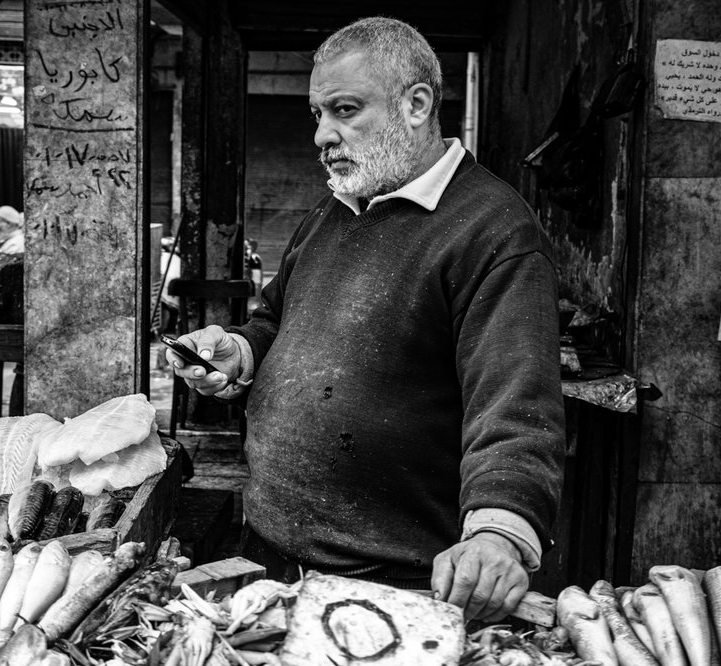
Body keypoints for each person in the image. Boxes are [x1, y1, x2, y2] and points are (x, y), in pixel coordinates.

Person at [167, 17, 565, 622]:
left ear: (416, 103)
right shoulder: (331, 212)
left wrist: (499, 533)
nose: (323, 135)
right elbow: (275, 317)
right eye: (317, 115)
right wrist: (241, 351)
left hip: (395, 583)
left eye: (344, 110)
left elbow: (515, 405)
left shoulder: (492, 229)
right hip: (270, 555)